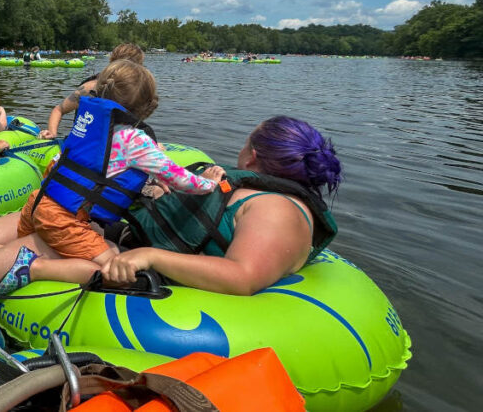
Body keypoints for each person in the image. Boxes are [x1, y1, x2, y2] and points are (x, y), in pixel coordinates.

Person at [0, 60, 223, 294]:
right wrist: (208, 182)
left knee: (15, 245)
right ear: (144, 109)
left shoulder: (88, 126)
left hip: (41, 200)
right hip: (63, 217)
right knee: (116, 266)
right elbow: (179, 178)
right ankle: (34, 268)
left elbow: (59, 165)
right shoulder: (135, 140)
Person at [101, 116, 342, 295]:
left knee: (70, 251)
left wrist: (149, 256)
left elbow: (242, 276)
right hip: (141, 239)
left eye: (245, 144)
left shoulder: (277, 210)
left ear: (252, 156)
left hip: (158, 271)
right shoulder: (254, 190)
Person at [40, 43, 146, 139]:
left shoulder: (137, 90)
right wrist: (52, 133)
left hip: (118, 143)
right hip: (87, 145)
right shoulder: (91, 87)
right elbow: (58, 110)